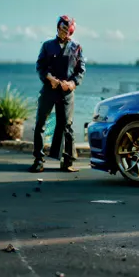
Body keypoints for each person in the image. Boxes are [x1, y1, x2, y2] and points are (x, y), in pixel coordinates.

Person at [29, 15, 86, 173]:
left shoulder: (77, 47)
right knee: (41, 123)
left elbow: (80, 71)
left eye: (68, 31)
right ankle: (39, 160)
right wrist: (49, 78)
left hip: (67, 92)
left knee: (67, 126)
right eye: (62, 29)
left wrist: (72, 83)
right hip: (49, 90)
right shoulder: (47, 46)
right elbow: (40, 66)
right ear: (57, 28)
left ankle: (67, 161)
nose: (64, 33)